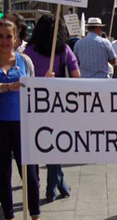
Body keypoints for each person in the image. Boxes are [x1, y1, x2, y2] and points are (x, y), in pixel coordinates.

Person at [0, 19, 51, 220]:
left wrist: (46, 81)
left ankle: (35, 215)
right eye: (0, 36)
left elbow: (35, 90)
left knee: (30, 172)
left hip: (23, 124)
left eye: (9, 37)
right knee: (2, 173)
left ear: (16, 38)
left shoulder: (25, 61)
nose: (5, 41)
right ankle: (9, 218)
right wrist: (7, 86)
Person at [24, 14, 80, 202]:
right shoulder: (64, 51)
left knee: (44, 143)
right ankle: (53, 185)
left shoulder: (28, 51)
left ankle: (56, 183)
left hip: (34, 106)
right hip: (60, 105)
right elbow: (76, 76)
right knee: (56, 145)